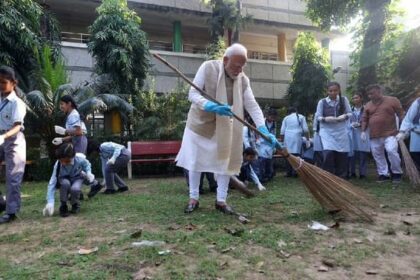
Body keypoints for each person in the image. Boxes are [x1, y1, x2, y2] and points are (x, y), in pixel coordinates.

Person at [176, 43, 278, 214]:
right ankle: (193, 198)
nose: (239, 70)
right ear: (225, 60)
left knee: (225, 163)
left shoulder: (243, 80)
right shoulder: (208, 68)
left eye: (242, 66)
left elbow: (251, 105)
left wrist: (262, 128)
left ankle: (221, 200)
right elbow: (192, 94)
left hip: (223, 127)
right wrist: (209, 105)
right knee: (195, 161)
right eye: (236, 66)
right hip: (199, 124)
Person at [361, 84, 405, 183]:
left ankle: (397, 173)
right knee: (377, 155)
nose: (370, 96)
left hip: (390, 133)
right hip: (374, 135)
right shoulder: (368, 105)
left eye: (372, 93)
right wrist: (363, 131)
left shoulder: (392, 100)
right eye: (368, 94)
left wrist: (402, 130)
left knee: (391, 151)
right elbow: (364, 119)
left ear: (379, 91)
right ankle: (383, 174)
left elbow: (401, 114)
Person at [0, 66, 27, 224]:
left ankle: (11, 211)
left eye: (4, 82)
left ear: (14, 83)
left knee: (13, 176)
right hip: (0, 137)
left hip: (13, 139)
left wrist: (4, 136)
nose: (1, 86)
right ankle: (2, 203)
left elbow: (17, 125)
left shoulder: (17, 103)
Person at [43, 143, 97, 217]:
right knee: (65, 184)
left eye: (67, 161)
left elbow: (87, 165)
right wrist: (50, 202)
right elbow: (52, 182)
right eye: (61, 161)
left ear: (73, 157)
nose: (64, 164)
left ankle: (75, 204)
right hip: (64, 179)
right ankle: (63, 206)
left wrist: (89, 173)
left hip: (77, 178)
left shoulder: (79, 159)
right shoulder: (58, 165)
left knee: (75, 189)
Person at [315, 82, 352, 178]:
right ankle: (329, 177)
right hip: (327, 131)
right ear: (327, 91)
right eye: (330, 91)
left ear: (339, 90)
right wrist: (325, 119)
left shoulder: (344, 100)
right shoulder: (322, 102)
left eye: (335, 90)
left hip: (341, 130)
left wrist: (344, 116)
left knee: (342, 154)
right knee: (328, 153)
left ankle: (341, 177)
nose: (333, 93)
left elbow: (350, 113)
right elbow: (318, 116)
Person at [280, 107, 310, 177]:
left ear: (288, 112)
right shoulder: (301, 117)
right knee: (297, 155)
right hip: (297, 137)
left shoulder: (286, 118)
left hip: (287, 138)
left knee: (288, 155)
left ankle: (288, 172)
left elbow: (282, 131)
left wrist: (281, 142)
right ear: (296, 111)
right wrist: (308, 140)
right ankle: (295, 172)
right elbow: (306, 130)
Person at [348, 92, 370, 179]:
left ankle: (362, 173)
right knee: (352, 154)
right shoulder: (350, 110)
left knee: (362, 153)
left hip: (363, 132)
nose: (355, 99)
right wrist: (351, 125)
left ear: (361, 98)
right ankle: (352, 172)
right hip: (352, 133)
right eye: (353, 98)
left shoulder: (366, 109)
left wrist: (362, 125)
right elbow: (346, 121)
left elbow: (370, 120)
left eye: (357, 97)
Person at [398, 96, 420, 171]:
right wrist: (402, 131)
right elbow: (408, 118)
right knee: (415, 154)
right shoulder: (417, 102)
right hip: (417, 132)